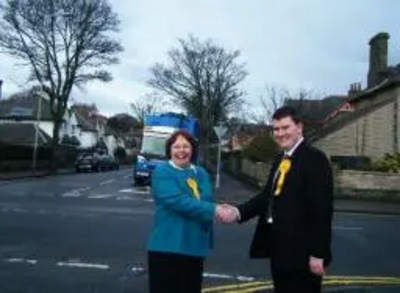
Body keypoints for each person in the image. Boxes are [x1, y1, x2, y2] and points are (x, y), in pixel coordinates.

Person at [219, 106, 334, 293]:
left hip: (303, 256)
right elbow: (267, 197)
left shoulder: (315, 160)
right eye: (276, 129)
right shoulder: (281, 158)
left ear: (299, 127)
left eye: (285, 127)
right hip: (280, 251)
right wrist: (238, 212)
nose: (280, 133)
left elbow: (322, 211)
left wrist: (318, 254)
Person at [147, 129, 230, 293]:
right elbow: (179, 202)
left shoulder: (201, 173)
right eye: (176, 147)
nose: (181, 151)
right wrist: (215, 210)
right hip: (169, 247)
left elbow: (206, 201)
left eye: (186, 146)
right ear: (169, 150)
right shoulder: (162, 172)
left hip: (195, 246)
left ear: (193, 150)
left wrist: (220, 209)